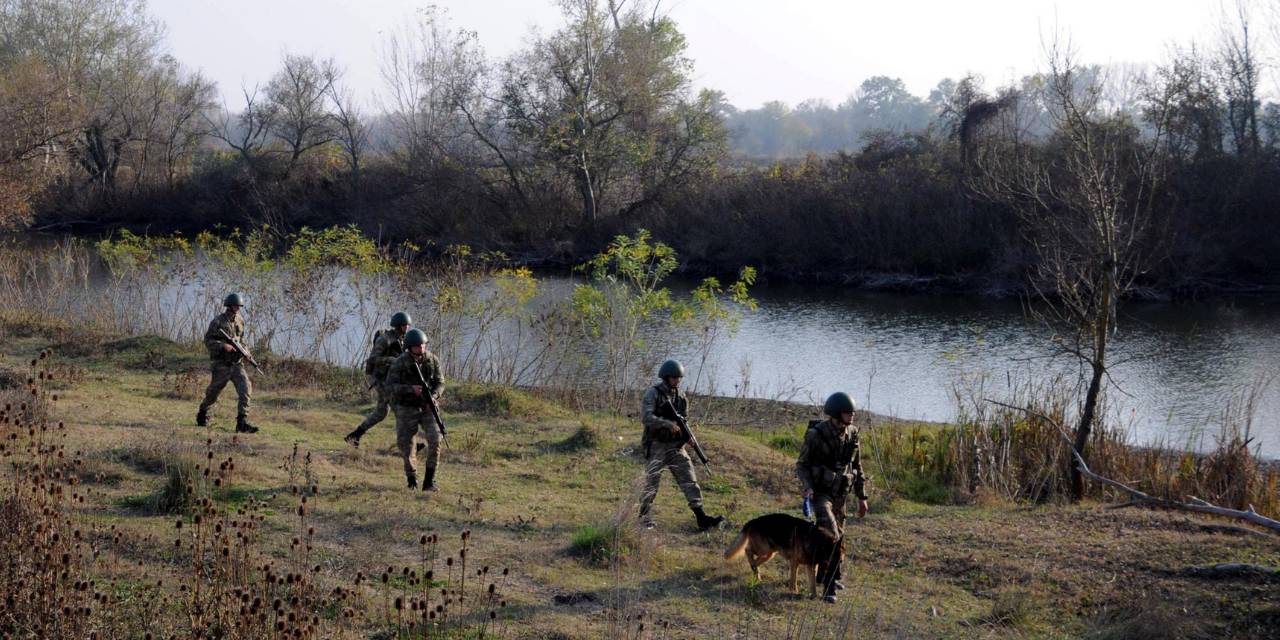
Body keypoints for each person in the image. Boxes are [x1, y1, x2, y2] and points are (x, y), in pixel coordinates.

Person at [795, 391, 869, 603]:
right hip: (821, 494)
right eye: (848, 412)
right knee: (831, 535)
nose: (852, 415)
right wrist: (808, 487)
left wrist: (862, 497)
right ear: (837, 413)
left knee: (840, 537)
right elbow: (801, 465)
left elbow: (857, 466)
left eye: (853, 412)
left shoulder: (853, 434)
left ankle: (827, 575)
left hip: (841, 494)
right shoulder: (816, 434)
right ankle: (829, 588)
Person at [638, 359, 725, 531]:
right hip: (656, 445)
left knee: (689, 478)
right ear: (666, 377)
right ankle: (643, 517)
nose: (678, 380)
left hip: (675, 446)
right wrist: (666, 424)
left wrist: (688, 437)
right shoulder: (653, 394)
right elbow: (646, 417)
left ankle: (701, 517)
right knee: (651, 482)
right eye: (675, 377)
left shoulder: (680, 396)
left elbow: (683, 420)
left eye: (680, 378)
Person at [383, 328, 445, 490]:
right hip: (406, 407)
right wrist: (411, 389)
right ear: (410, 347)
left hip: (428, 406)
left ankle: (429, 481)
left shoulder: (432, 360)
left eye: (424, 345)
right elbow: (390, 387)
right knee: (406, 444)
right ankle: (412, 480)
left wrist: (434, 396)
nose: (422, 348)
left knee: (436, 439)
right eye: (418, 346)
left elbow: (440, 383)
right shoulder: (400, 363)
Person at [345, 312, 413, 447]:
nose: (407, 327)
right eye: (405, 325)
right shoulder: (385, 339)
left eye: (408, 325)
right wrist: (391, 360)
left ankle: (354, 435)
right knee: (400, 410)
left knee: (381, 412)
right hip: (381, 380)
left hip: (391, 379)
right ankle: (409, 444)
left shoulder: (403, 339)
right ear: (398, 326)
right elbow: (373, 359)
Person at [196, 293, 258, 434]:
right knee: (213, 393)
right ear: (229, 306)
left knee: (246, 389)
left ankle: (241, 422)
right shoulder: (218, 321)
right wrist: (222, 345)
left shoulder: (240, 321)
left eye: (239, 306)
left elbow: (242, 341)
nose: (238, 308)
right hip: (221, 364)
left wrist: (247, 353)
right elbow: (208, 340)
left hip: (236, 363)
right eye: (236, 306)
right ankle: (203, 411)